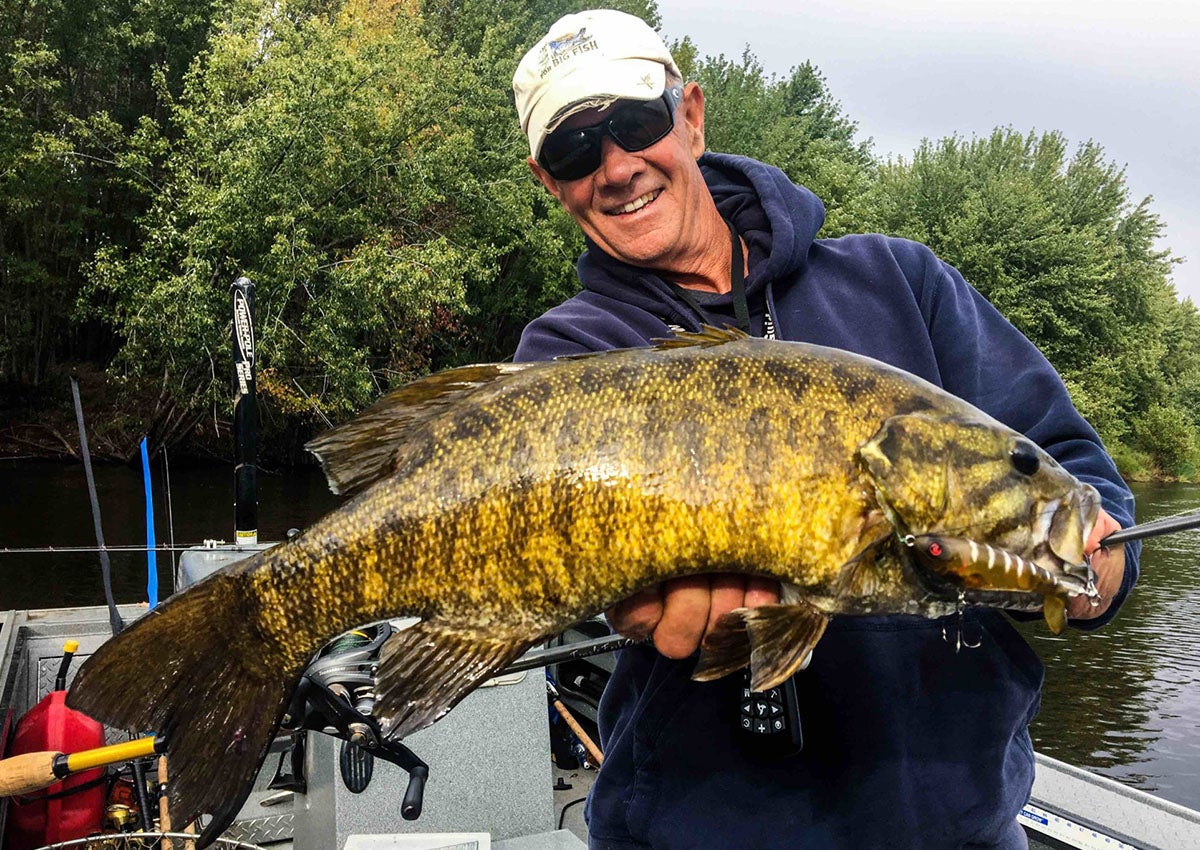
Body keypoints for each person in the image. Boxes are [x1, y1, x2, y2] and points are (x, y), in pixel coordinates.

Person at [510, 9, 1139, 849]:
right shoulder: (568, 355)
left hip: (962, 827)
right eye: (574, 150)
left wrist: (1088, 573)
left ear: (690, 116)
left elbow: (1075, 480)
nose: (617, 166)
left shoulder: (900, 281)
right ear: (548, 180)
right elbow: (552, 577)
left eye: (635, 123)